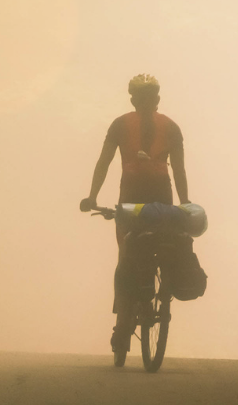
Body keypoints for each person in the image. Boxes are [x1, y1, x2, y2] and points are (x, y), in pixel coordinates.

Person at [79, 74, 189, 356]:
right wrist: (186, 203)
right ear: (158, 99)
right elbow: (178, 170)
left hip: (129, 199)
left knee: (126, 256)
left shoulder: (119, 125)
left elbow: (103, 162)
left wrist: (92, 197)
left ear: (132, 99)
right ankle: (161, 295)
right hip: (163, 201)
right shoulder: (172, 127)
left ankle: (122, 323)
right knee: (164, 244)